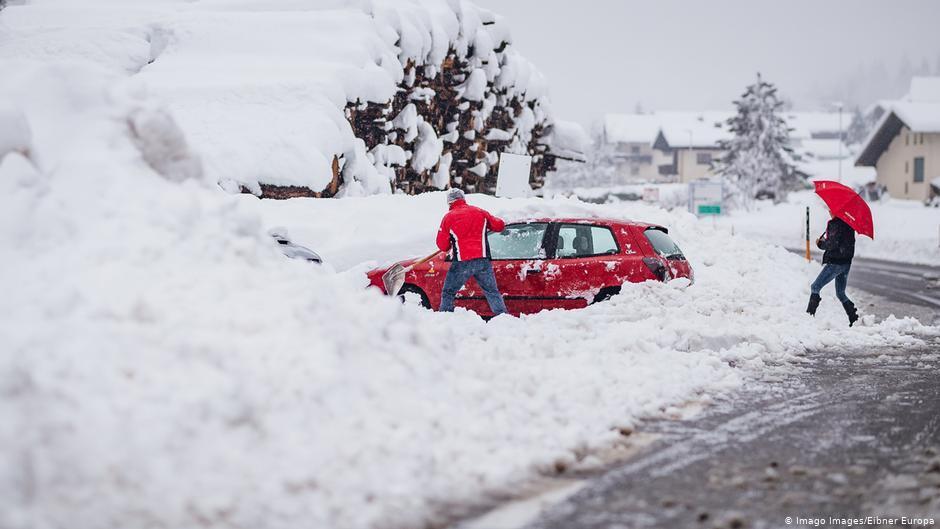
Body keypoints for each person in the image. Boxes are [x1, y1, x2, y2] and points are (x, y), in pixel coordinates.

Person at [436, 188, 508, 315]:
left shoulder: (448, 218)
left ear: (449, 202)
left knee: (449, 292)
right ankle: (502, 317)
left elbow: (442, 246)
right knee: (492, 291)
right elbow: (499, 225)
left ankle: (445, 318)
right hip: (482, 260)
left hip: (462, 262)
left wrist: (452, 242)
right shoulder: (480, 212)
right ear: (463, 199)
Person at [807, 212, 859, 326]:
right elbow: (841, 242)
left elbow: (832, 244)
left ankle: (809, 318)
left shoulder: (835, 224)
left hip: (835, 263)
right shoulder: (849, 223)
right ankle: (853, 317)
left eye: (831, 210)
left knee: (815, 287)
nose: (829, 212)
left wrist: (820, 244)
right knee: (840, 293)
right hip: (846, 263)